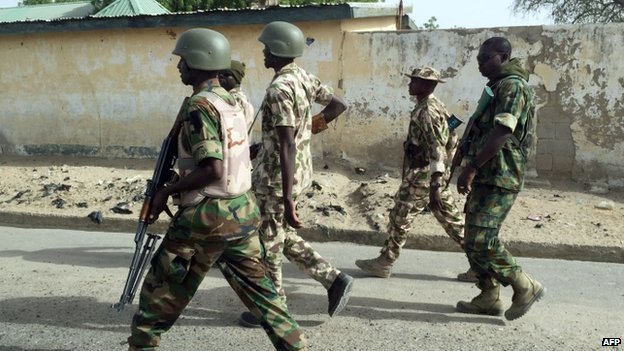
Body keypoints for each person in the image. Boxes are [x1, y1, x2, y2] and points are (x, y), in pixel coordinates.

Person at [126, 28, 308, 351]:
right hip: (242, 212)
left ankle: (142, 344)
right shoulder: (230, 102)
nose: (179, 66)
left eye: (183, 60)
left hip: (207, 216)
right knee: (266, 299)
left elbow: (212, 168)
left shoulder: (199, 107)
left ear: (198, 60)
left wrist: (166, 192)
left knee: (158, 293)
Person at [238, 21, 352, 328]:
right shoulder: (303, 77)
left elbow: (287, 143)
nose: (263, 52)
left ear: (277, 50)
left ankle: (273, 310)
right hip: (297, 172)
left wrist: (287, 198)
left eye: (266, 48)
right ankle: (334, 279)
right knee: (278, 234)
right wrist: (309, 129)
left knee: (268, 243)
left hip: (277, 180)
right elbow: (338, 105)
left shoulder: (279, 88)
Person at [355, 66, 474, 282]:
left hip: (424, 174)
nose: (410, 84)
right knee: (452, 221)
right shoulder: (433, 105)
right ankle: (481, 263)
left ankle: (385, 261)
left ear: (428, 85)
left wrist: (436, 182)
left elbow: (437, 145)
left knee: (400, 216)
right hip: (431, 173)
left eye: (415, 81)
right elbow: (452, 136)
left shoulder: (427, 111)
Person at [455, 36, 544, 320]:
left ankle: (524, 285)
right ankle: (488, 295)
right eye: (478, 58)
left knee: (483, 239)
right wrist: (465, 162)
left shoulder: (513, 86)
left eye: (485, 58)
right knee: (471, 238)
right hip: (486, 172)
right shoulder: (496, 87)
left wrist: (472, 168)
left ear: (503, 57)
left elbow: (502, 132)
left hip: (500, 174)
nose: (480, 63)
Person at [219, 59, 255, 131]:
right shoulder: (241, 98)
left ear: (236, 78)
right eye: (220, 74)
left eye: (226, 74)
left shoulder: (234, 100)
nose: (221, 77)